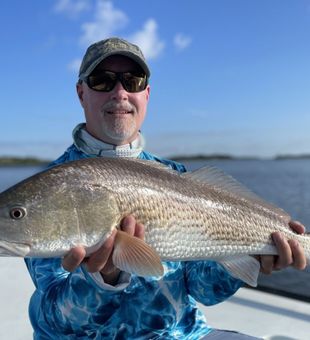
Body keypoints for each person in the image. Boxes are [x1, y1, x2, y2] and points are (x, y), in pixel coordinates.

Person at [25, 37, 307, 339]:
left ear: (146, 94)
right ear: (81, 93)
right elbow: (55, 320)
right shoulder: (53, 188)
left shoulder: (177, 176)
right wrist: (100, 280)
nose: (119, 92)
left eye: (132, 81)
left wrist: (253, 256)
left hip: (181, 334)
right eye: (102, 81)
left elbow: (202, 289)